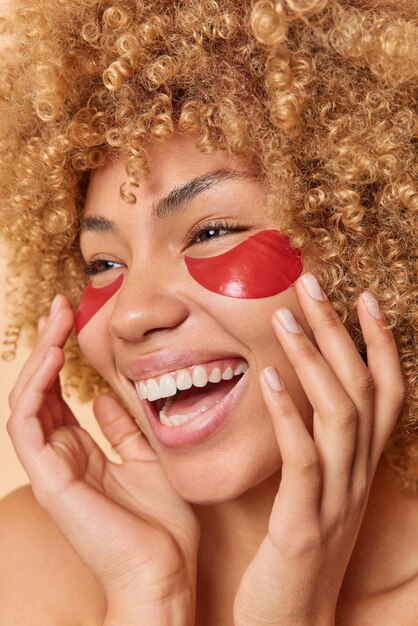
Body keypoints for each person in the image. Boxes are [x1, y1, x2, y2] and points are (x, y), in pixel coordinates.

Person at [0, 0, 416, 624]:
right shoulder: (30, 562)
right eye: (103, 264)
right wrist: (149, 597)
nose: (131, 315)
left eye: (212, 230)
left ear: (366, 252)